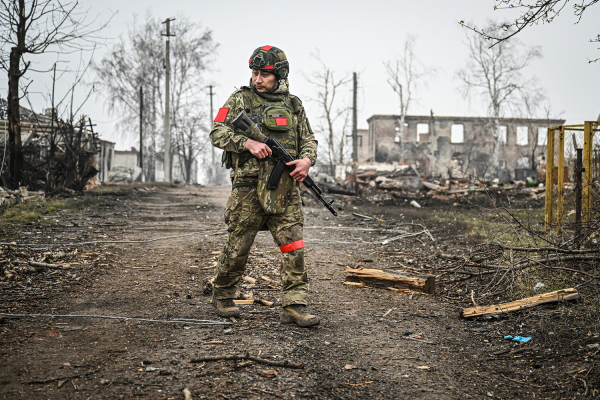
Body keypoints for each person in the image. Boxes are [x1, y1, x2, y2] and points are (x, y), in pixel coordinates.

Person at [209, 45, 319, 327]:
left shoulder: (294, 105)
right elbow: (217, 131)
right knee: (238, 247)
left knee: (293, 247)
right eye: (255, 73)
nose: (258, 79)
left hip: (285, 187)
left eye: (265, 75)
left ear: (279, 75)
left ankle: (295, 305)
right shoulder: (239, 99)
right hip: (247, 188)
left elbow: (308, 139)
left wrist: (306, 161)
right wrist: (247, 142)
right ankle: (223, 293)